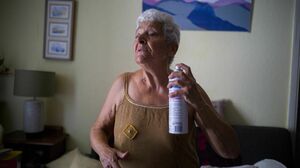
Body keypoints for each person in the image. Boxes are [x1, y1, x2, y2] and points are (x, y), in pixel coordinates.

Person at [90, 9, 240, 168]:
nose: (140, 39)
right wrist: (104, 151)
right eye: (137, 34)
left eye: (151, 33)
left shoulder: (187, 89)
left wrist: (199, 104)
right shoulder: (122, 84)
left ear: (172, 48)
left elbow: (230, 151)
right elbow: (97, 129)